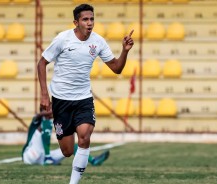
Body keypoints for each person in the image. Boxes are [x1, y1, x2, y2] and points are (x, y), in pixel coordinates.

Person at [37, 3, 134, 184]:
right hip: (61, 100)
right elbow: (41, 63)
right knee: (67, 151)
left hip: (83, 99)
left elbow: (116, 68)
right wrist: (44, 94)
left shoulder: (98, 41)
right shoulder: (63, 39)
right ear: (76, 22)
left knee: (84, 136)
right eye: (85, 19)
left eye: (92, 19)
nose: (89, 23)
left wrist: (124, 52)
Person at [22, 110, 110, 166]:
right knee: (45, 122)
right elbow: (39, 115)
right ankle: (48, 158)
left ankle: (93, 161)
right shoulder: (36, 120)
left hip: (41, 157)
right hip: (30, 155)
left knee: (72, 147)